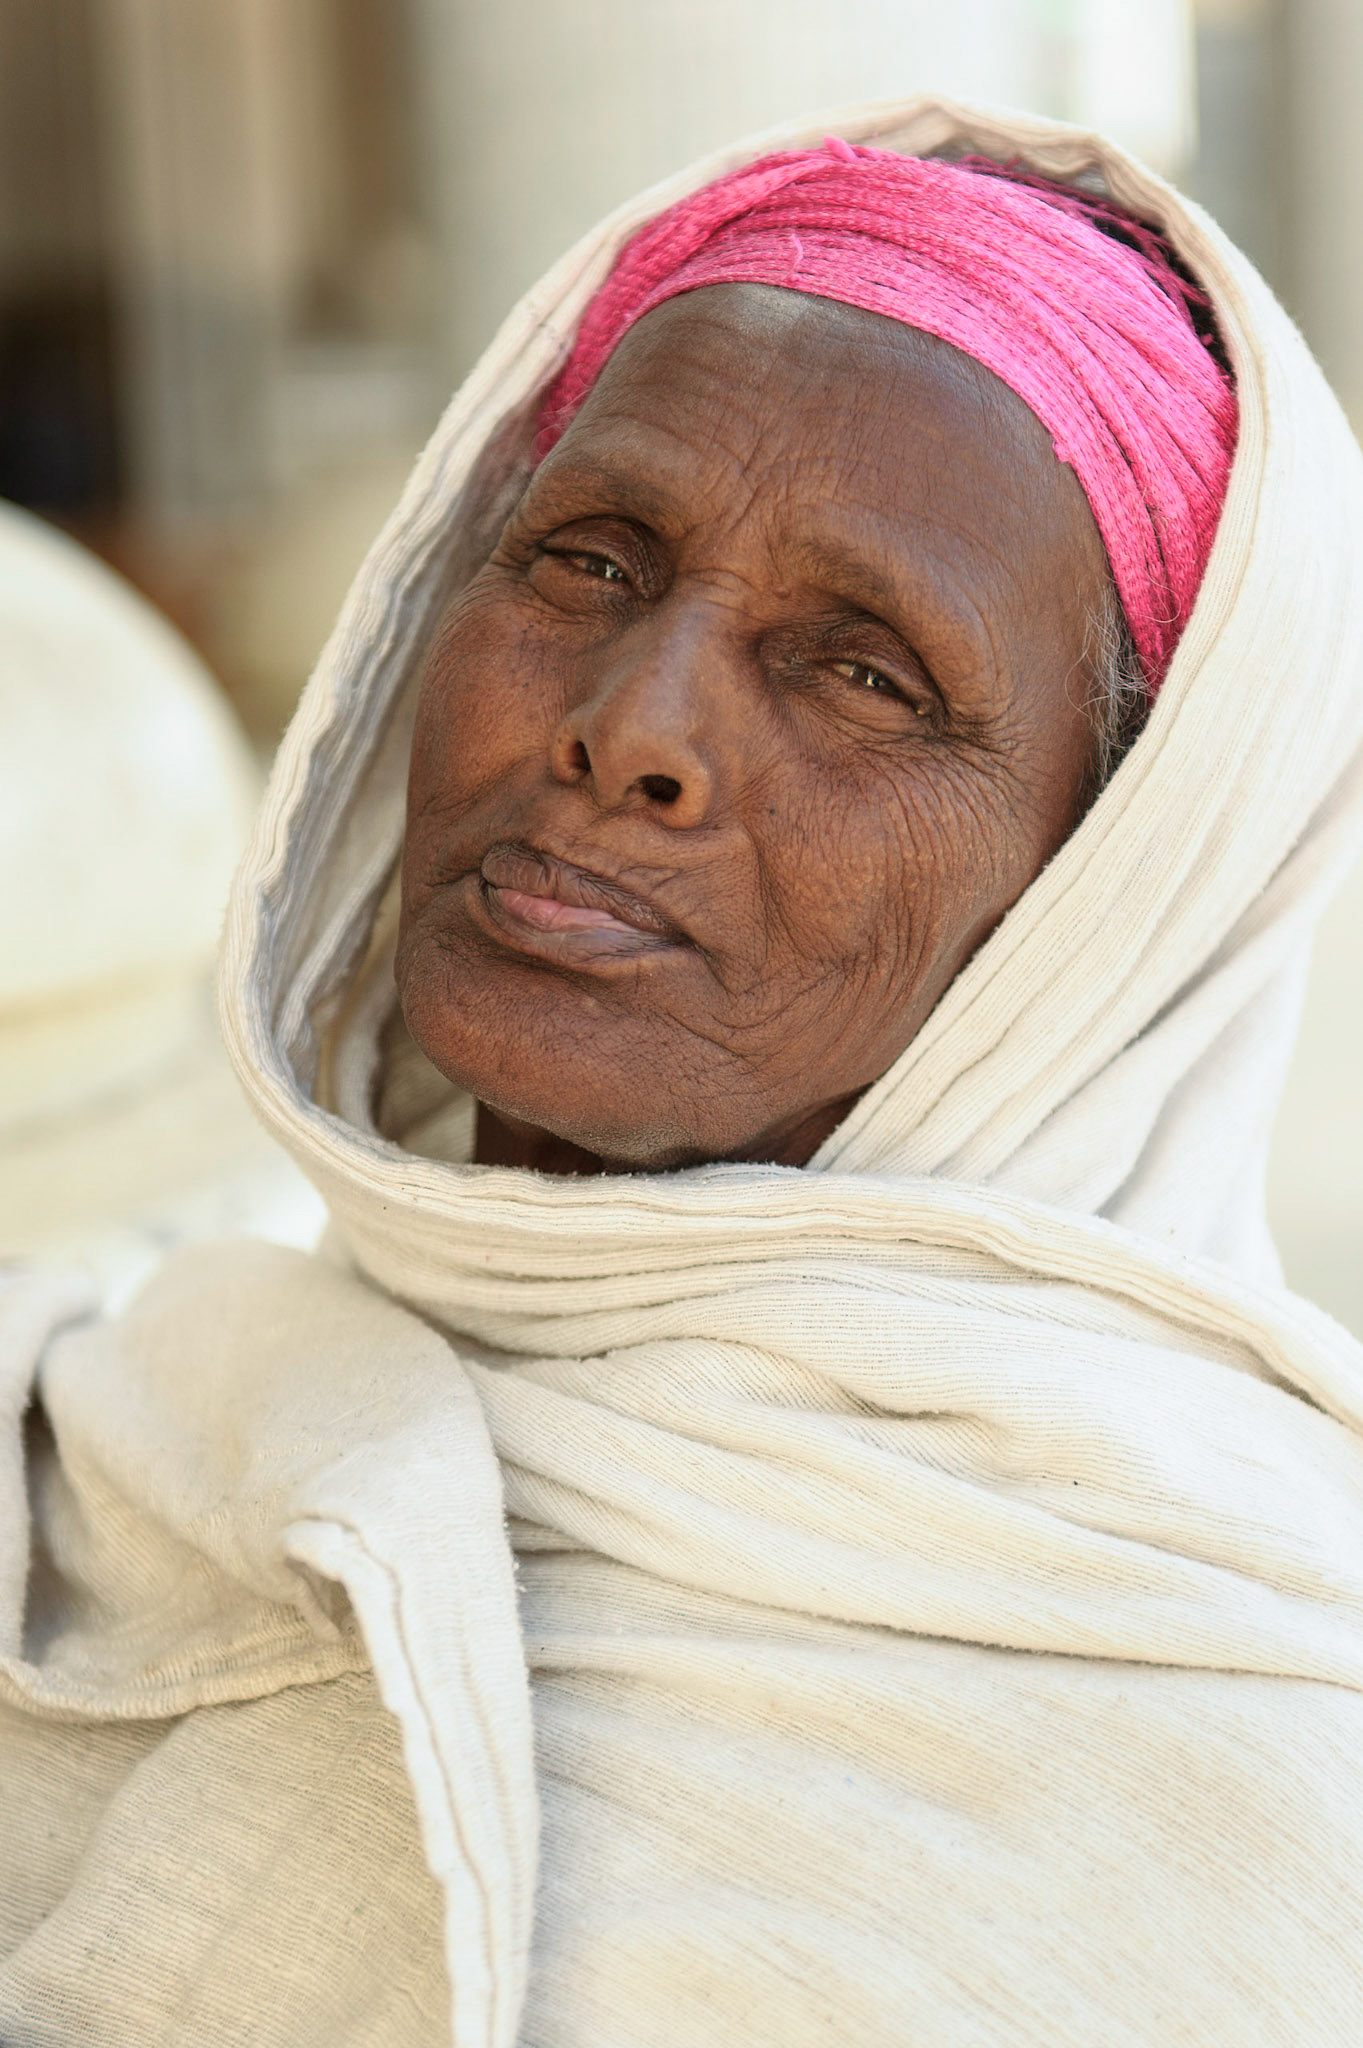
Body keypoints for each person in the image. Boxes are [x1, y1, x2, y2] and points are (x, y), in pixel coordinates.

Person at [4, 97, 1363, 2048]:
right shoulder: (114, 1471)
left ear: (1103, 893)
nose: (635, 729)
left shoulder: (1243, 1771)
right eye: (589, 557)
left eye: (865, 671)